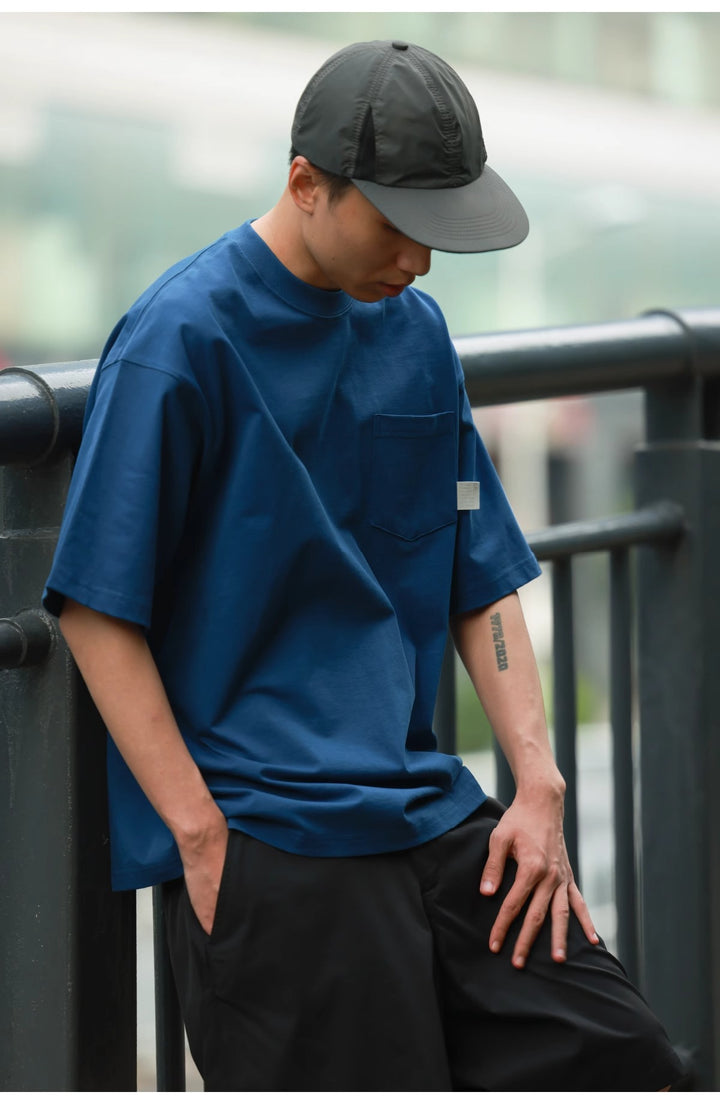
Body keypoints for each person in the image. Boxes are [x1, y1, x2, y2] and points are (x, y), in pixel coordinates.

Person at [44, 40, 684, 1091]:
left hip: (431, 808)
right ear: (307, 184)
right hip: (273, 839)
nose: (420, 260)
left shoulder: (416, 334)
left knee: (628, 1061)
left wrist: (536, 781)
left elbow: (479, 572)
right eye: (397, 225)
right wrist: (199, 836)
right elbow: (94, 608)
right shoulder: (180, 338)